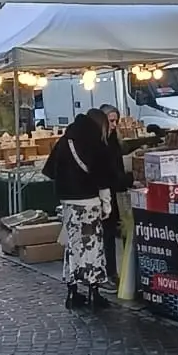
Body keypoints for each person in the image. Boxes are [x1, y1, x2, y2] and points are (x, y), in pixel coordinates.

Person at [42, 109, 131, 309]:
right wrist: (106, 205)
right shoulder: (94, 143)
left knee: (73, 246)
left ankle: (72, 291)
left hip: (68, 203)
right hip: (89, 202)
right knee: (92, 246)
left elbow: (50, 170)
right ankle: (94, 290)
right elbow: (104, 179)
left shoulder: (66, 140)